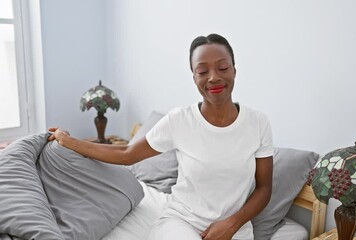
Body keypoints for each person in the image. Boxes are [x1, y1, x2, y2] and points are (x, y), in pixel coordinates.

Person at [49, 33, 273, 240]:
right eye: (203, 71)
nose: (213, 77)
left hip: (235, 228)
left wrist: (232, 223)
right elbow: (127, 153)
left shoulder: (257, 123)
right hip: (182, 223)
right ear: (194, 77)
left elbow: (264, 188)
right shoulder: (179, 120)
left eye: (222, 68)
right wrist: (69, 141)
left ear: (234, 69)